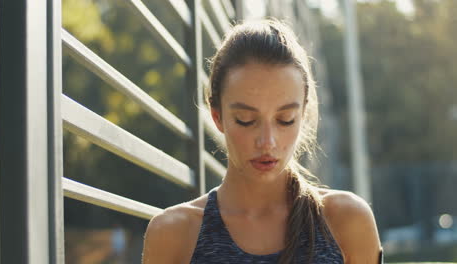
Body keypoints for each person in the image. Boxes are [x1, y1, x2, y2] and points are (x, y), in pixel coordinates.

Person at [142, 19, 383, 264]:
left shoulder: (347, 220)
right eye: (246, 120)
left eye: (285, 120)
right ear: (217, 117)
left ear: (302, 115)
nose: (267, 142)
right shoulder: (174, 233)